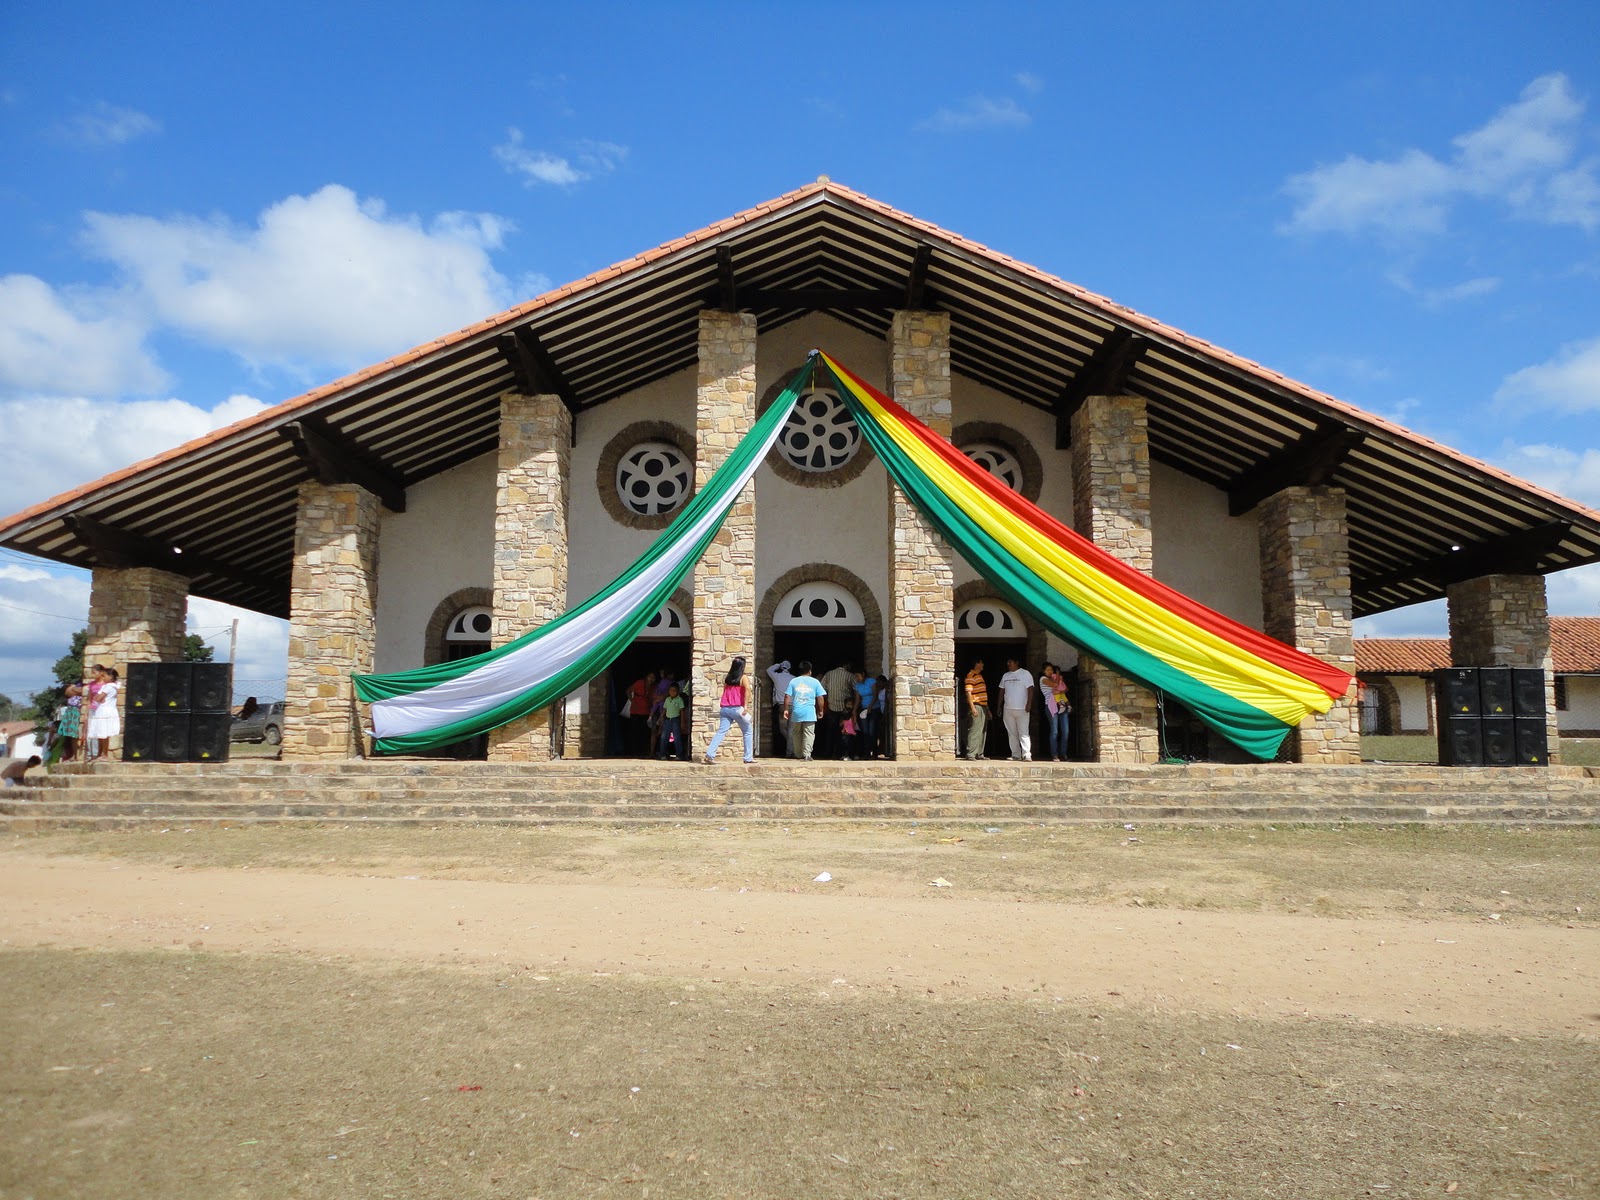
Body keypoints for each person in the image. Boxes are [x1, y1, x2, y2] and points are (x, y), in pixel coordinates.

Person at [703, 657, 755, 765]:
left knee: (721, 732)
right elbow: (747, 691)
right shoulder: (743, 678)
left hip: (725, 708)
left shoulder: (728, 678)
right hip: (737, 708)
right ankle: (748, 757)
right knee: (747, 731)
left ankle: (710, 754)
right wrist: (746, 706)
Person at [783, 661, 827, 761]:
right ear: (810, 671)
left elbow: (787, 696)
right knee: (809, 733)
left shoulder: (794, 681)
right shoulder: (815, 682)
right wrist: (821, 710)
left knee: (796, 733)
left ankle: (798, 754)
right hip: (809, 712)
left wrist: (786, 709)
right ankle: (807, 754)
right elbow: (820, 697)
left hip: (796, 711)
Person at [998, 657, 1034, 761]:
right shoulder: (1005, 675)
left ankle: (1026, 754)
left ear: (1016, 662)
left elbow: (1031, 689)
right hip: (1008, 709)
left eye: (1010, 662)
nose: (1008, 664)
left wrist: (1029, 704)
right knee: (1012, 733)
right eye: (1007, 662)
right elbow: (1001, 691)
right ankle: (1016, 754)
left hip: (1022, 708)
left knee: (1023, 732)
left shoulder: (1025, 674)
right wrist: (999, 706)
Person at [85, 665, 121, 762]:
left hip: (104, 711)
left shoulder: (108, 687)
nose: (103, 678)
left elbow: (98, 698)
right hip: (104, 710)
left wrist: (99, 698)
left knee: (104, 732)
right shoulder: (112, 687)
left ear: (111, 677)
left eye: (105, 676)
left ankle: (104, 754)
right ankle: (100, 753)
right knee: (101, 733)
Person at [820, 661, 855, 759]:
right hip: (846, 709)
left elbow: (822, 689)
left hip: (832, 707)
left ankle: (830, 753)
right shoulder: (849, 675)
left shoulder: (828, 674)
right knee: (846, 731)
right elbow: (857, 688)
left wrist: (828, 700)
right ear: (845, 665)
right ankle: (845, 754)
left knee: (831, 732)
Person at [1040, 662, 1072, 761]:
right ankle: (1055, 754)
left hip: (1061, 704)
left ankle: (1063, 753)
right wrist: (1058, 676)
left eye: (1051, 670)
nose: (1050, 672)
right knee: (1054, 731)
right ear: (1043, 671)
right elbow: (1056, 685)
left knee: (1065, 731)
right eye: (1048, 670)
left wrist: (1060, 691)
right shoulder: (1043, 679)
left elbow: (1066, 689)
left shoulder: (1054, 677)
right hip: (1051, 706)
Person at [962, 659, 989, 760]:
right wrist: (973, 708)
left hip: (983, 706)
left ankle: (979, 753)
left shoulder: (980, 676)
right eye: (981, 662)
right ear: (976, 664)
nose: (983, 665)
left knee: (982, 730)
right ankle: (971, 753)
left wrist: (987, 709)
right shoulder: (971, 676)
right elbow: (968, 693)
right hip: (976, 705)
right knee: (975, 729)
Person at [766, 660, 794, 756]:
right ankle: (791, 749)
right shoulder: (793, 679)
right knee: (791, 730)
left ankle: (790, 751)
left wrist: (778, 665)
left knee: (783, 729)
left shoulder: (777, 677)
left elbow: (769, 670)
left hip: (782, 705)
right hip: (793, 705)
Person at [656, 682, 688, 760]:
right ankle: (662, 754)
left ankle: (679, 755)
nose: (672, 692)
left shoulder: (679, 700)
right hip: (667, 720)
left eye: (674, 690)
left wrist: (682, 722)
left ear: (678, 691)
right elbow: (664, 710)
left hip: (675, 720)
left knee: (677, 738)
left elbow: (682, 711)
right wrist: (660, 718)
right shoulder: (667, 699)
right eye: (670, 690)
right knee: (664, 737)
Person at [625, 671, 654, 757]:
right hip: (635, 711)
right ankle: (634, 751)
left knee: (644, 733)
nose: (651, 679)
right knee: (635, 731)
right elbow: (628, 691)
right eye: (650, 677)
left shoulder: (653, 687)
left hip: (646, 712)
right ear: (646, 677)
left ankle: (643, 751)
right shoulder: (639, 683)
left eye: (653, 678)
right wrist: (632, 700)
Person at [851, 669, 877, 760]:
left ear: (863, 674)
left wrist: (870, 707)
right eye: (855, 677)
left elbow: (875, 695)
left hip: (873, 709)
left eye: (858, 676)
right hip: (863, 710)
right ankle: (866, 753)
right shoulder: (857, 686)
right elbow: (858, 699)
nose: (857, 678)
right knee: (865, 731)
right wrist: (854, 710)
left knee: (872, 732)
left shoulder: (872, 681)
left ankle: (874, 752)